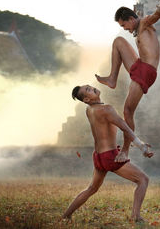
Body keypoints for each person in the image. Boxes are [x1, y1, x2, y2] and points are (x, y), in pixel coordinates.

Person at [62, 84, 153, 222]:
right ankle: (136, 216)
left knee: (92, 188)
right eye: (88, 90)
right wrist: (142, 146)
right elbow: (125, 128)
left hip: (98, 157)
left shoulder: (90, 110)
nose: (92, 88)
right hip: (109, 157)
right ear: (86, 99)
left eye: (89, 86)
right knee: (143, 180)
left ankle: (65, 215)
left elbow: (105, 132)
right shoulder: (106, 109)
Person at [95, 0, 160, 162]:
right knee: (119, 42)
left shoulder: (143, 23)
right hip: (141, 66)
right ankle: (112, 79)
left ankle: (126, 151)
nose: (125, 28)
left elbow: (154, 17)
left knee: (128, 111)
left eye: (124, 25)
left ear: (131, 19)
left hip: (146, 71)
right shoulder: (139, 26)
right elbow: (139, 20)